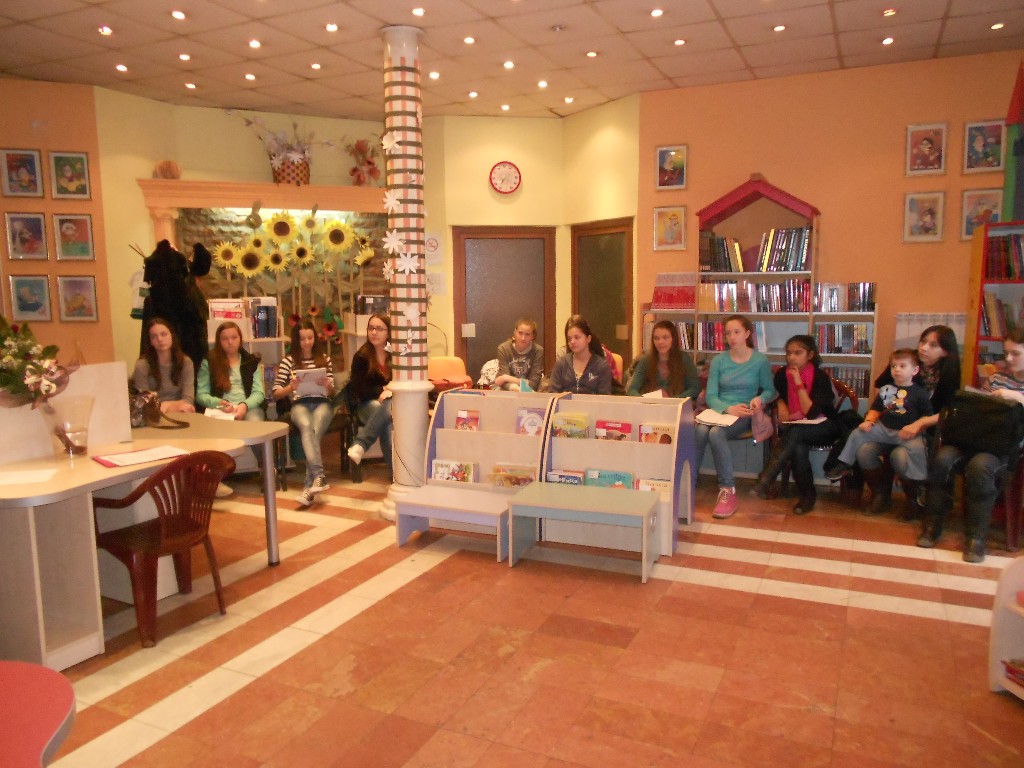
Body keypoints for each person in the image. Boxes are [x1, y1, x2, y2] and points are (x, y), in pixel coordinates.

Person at [918, 329, 1024, 563]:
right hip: (976, 438)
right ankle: (932, 526)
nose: (1008, 359)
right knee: (943, 459)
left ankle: (976, 538)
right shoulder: (997, 378)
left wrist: (1017, 398)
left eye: (1015, 354)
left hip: (1003, 450)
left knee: (980, 467)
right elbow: (977, 407)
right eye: (1006, 353)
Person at [855, 325, 961, 517]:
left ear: (946, 351)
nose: (924, 348)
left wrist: (919, 424)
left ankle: (913, 500)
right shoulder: (907, 360)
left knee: (900, 456)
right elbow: (880, 387)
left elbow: (947, 412)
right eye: (923, 341)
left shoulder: (948, 373)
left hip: (924, 431)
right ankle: (880, 494)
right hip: (891, 426)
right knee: (864, 450)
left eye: (933, 345)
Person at [826, 349, 933, 514]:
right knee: (857, 433)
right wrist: (869, 421)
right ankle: (844, 463)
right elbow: (876, 409)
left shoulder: (919, 393)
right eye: (893, 366)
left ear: (915, 370)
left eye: (902, 366)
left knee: (918, 449)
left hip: (906, 433)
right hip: (884, 429)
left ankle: (920, 484)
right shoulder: (887, 389)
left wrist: (917, 428)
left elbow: (927, 416)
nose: (896, 369)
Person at [696, 315, 777, 519]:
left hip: (745, 413)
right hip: (721, 410)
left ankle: (728, 491)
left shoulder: (759, 361)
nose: (731, 337)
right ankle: (689, 482)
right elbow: (711, 396)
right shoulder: (719, 361)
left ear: (747, 334)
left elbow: (770, 390)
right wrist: (727, 408)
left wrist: (759, 398)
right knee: (700, 429)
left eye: (736, 332)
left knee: (715, 433)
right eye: (728, 333)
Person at [749, 335, 839, 515]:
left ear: (810, 355)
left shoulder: (820, 377)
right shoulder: (783, 374)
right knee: (798, 445)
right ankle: (807, 496)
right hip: (797, 427)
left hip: (825, 427)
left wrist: (798, 383)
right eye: (789, 353)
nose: (791, 357)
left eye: (798, 353)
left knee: (796, 433)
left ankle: (765, 479)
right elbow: (771, 392)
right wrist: (780, 402)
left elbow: (810, 412)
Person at [196, 321, 265, 497]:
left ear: (240, 339)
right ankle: (215, 478)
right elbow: (201, 395)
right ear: (219, 341)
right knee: (214, 431)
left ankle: (266, 469)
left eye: (234, 337)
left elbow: (259, 393)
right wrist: (219, 403)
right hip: (222, 408)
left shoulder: (251, 361)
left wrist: (244, 406)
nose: (230, 342)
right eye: (225, 339)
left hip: (247, 406)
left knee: (256, 424)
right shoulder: (209, 361)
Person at [272, 320, 336, 508]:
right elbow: (275, 393)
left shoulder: (324, 358)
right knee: (308, 427)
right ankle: (318, 477)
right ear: (296, 340)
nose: (307, 342)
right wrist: (290, 387)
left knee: (313, 431)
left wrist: (328, 385)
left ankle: (310, 487)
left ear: (315, 338)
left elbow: (332, 392)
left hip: (322, 402)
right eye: (302, 339)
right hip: (299, 403)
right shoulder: (288, 361)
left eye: (310, 337)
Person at [346, 312, 393, 477]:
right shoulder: (361, 356)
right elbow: (358, 389)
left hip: (392, 404)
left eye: (379, 329)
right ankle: (396, 475)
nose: (374, 332)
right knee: (387, 413)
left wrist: (391, 390)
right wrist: (383, 390)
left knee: (388, 415)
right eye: (371, 328)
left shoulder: (395, 354)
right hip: (366, 404)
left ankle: (360, 444)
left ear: (388, 332)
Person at [132, 317, 196, 414]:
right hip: (154, 415)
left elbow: (188, 399)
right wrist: (166, 407)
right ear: (150, 342)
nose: (160, 339)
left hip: (182, 412)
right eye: (154, 337)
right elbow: (145, 403)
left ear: (172, 336)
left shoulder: (186, 363)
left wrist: (167, 405)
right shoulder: (142, 365)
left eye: (163, 334)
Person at [627, 320, 700, 399]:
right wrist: (644, 400)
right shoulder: (646, 360)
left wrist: (674, 399)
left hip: (676, 403)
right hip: (651, 403)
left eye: (665, 337)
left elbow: (695, 388)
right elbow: (632, 389)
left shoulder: (684, 358)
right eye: (656, 338)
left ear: (673, 339)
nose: (660, 342)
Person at [546, 315, 612, 395]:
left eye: (577, 337)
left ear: (588, 339)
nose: (572, 342)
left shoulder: (602, 366)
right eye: (569, 339)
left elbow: (604, 398)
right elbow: (553, 394)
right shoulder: (561, 364)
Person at [493, 317, 544, 391]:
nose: (523, 338)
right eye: (520, 333)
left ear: (532, 336)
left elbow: (534, 384)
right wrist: (516, 388)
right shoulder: (503, 348)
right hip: (507, 390)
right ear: (515, 332)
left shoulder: (538, 350)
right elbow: (502, 382)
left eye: (527, 334)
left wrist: (507, 378)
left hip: (529, 392)